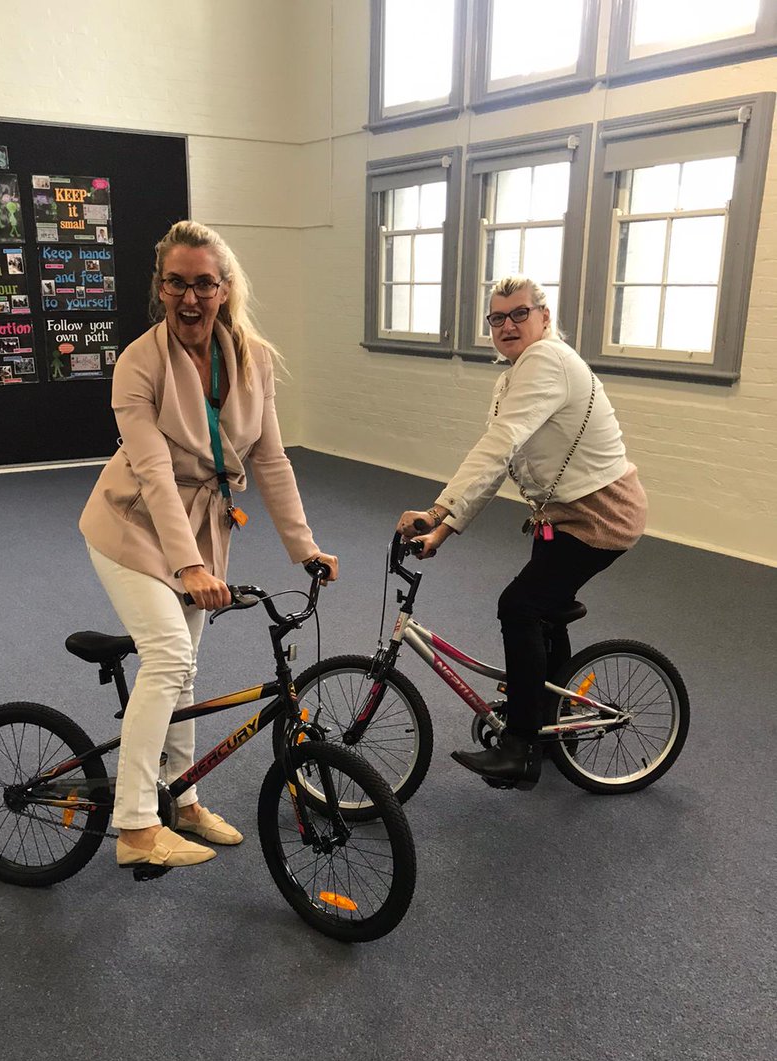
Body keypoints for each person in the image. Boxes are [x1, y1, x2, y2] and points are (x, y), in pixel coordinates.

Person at [80, 219, 338, 870]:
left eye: (203, 284)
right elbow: (153, 473)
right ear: (159, 287)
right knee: (169, 655)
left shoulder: (252, 359)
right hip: (131, 525)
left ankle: (184, 798)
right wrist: (189, 566)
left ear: (224, 289)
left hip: (201, 527)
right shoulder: (139, 363)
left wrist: (303, 546)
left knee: (186, 670)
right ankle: (137, 825)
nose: (189, 298)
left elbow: (271, 459)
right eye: (176, 284)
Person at [397, 276, 646, 788]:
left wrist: (437, 509)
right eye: (497, 317)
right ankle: (554, 727)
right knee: (543, 613)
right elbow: (498, 464)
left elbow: (499, 444)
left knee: (520, 606)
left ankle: (521, 747)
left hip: (601, 515)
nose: (507, 325)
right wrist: (443, 531)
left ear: (544, 317)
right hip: (560, 515)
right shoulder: (513, 376)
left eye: (519, 313)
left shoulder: (546, 360)